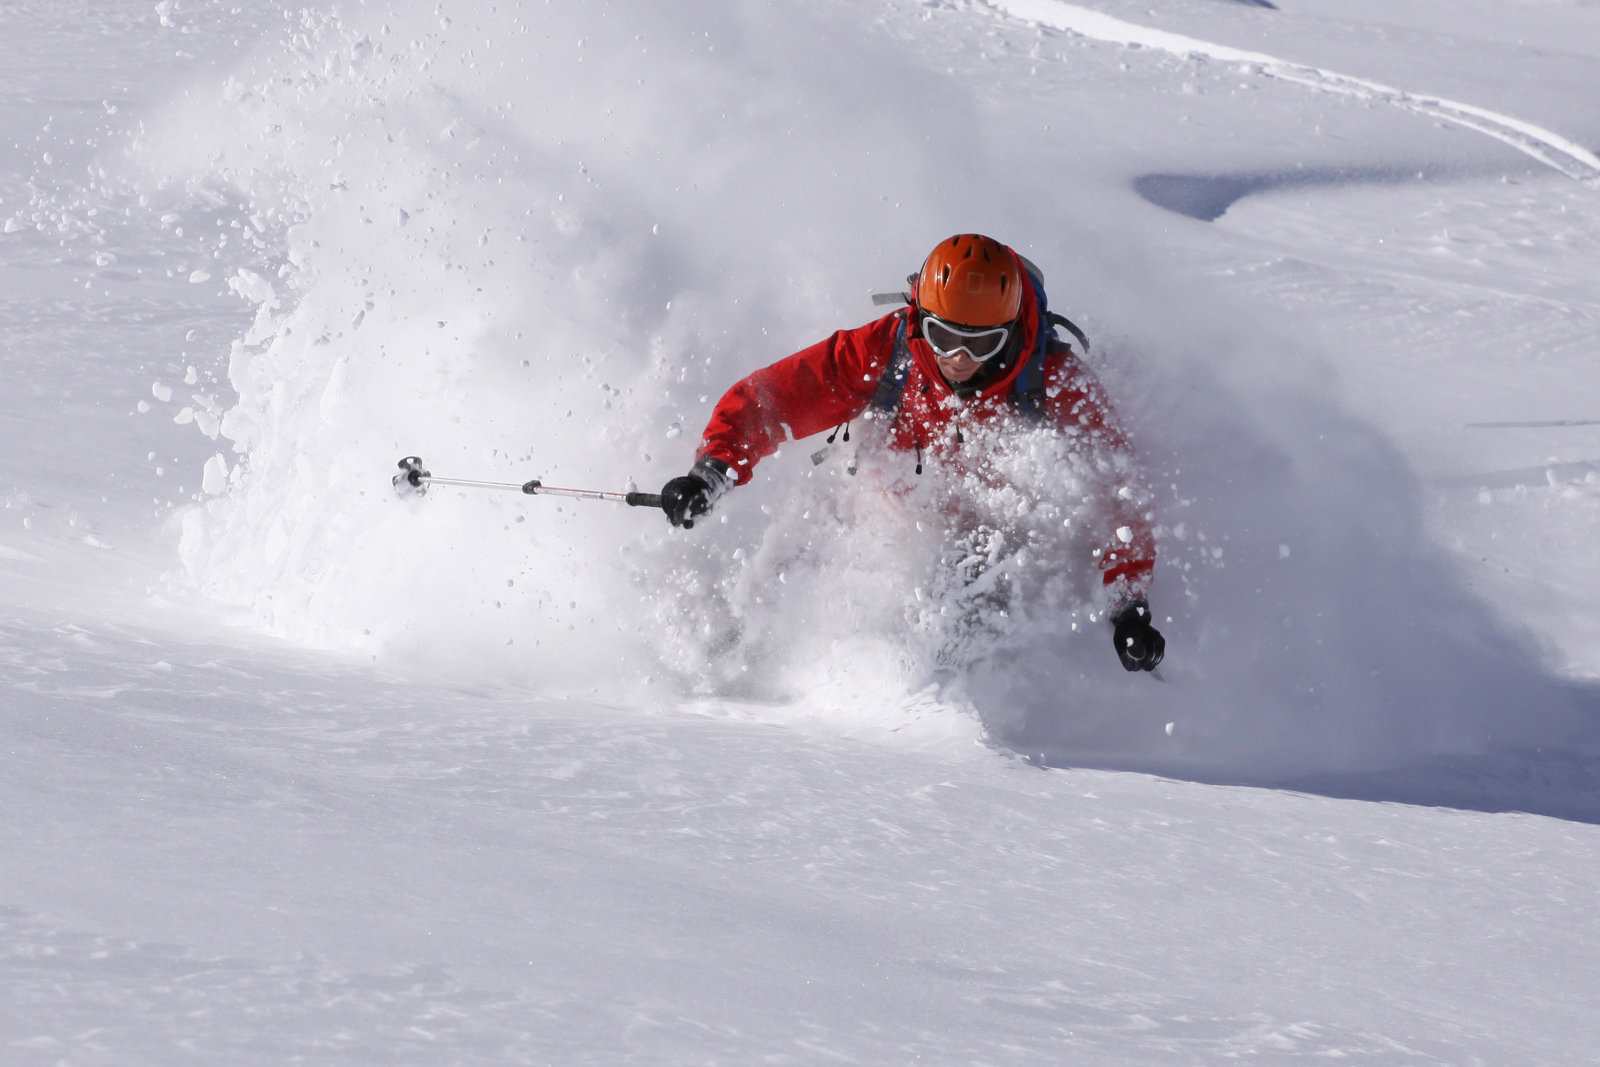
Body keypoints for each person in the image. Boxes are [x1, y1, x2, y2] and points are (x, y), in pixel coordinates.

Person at [658, 233, 1165, 673]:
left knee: (963, 612)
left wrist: (1128, 605)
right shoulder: (890, 347)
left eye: (981, 344)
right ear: (920, 319)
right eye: (943, 337)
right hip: (867, 501)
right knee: (780, 578)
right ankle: (725, 664)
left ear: (1009, 334)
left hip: (982, 540)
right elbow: (775, 399)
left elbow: (1117, 499)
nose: (959, 360)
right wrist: (714, 471)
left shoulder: (1055, 383)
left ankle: (933, 721)